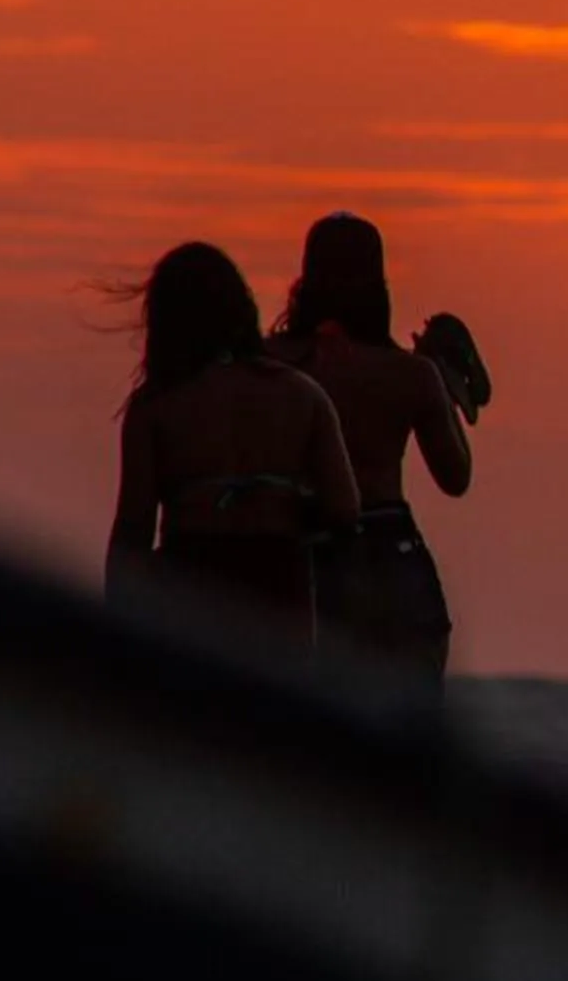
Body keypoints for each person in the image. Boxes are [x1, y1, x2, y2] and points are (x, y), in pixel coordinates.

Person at [106, 242, 359, 642]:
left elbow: (133, 529)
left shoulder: (156, 405)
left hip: (190, 582)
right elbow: (344, 510)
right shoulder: (303, 394)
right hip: (279, 584)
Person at [269, 213, 476, 684]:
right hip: (390, 550)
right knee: (407, 712)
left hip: (304, 549)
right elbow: (456, 476)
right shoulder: (411, 374)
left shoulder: (271, 363)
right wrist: (444, 387)